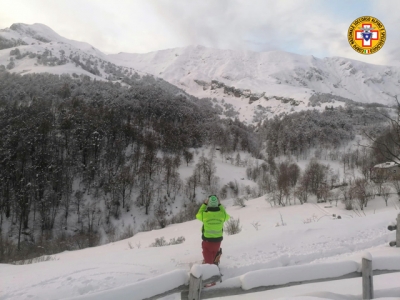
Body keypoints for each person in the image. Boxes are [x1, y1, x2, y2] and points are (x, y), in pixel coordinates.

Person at [196, 195, 230, 265]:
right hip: (218, 240)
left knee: (208, 261)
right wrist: (220, 205)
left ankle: (211, 266)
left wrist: (204, 204)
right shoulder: (222, 215)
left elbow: (198, 214)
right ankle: (216, 257)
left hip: (207, 240)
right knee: (214, 252)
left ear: (209, 204)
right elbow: (226, 214)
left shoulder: (204, 215)